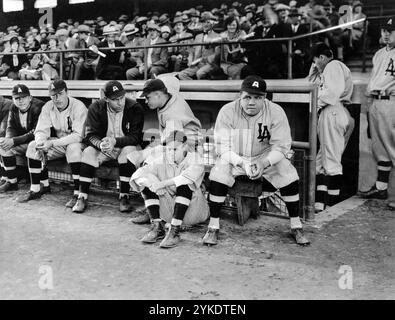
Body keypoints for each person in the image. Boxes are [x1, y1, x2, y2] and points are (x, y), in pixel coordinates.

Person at [202, 76, 310, 246]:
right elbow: (222, 147)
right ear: (240, 95)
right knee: (218, 172)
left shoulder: (275, 111)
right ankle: (213, 226)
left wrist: (264, 163)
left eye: (257, 97)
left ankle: (295, 225)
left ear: (264, 97)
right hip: (236, 157)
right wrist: (241, 163)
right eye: (247, 97)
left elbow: (281, 146)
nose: (251, 102)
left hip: (264, 157)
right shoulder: (227, 111)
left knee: (287, 171)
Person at [128, 77, 202, 224]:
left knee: (148, 166)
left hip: (187, 147)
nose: (146, 101)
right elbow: (173, 80)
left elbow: (172, 143)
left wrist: (145, 154)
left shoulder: (172, 116)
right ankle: (152, 205)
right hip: (177, 139)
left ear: (158, 94)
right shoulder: (169, 92)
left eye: (148, 97)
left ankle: (154, 211)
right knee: (145, 159)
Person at [72, 81, 144, 213]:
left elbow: (136, 137)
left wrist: (115, 142)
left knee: (128, 151)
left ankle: (124, 196)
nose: (120, 102)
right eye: (115, 99)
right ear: (106, 99)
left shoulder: (135, 107)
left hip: (125, 146)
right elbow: (90, 135)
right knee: (88, 152)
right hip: (104, 148)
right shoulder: (96, 107)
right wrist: (100, 144)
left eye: (122, 97)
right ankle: (82, 196)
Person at [130, 133, 209, 248]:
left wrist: (161, 184)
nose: (171, 153)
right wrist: (152, 183)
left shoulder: (195, 159)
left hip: (193, 210)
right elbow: (138, 174)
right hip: (169, 211)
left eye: (175, 149)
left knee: (184, 184)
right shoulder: (163, 158)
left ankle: (174, 232)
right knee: (147, 183)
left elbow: (183, 179)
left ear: (185, 147)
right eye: (169, 149)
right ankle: (157, 226)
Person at [16, 80, 87, 206]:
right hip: (59, 143)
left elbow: (78, 136)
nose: (57, 98)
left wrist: (52, 144)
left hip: (79, 143)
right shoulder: (48, 106)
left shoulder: (78, 106)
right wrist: (41, 142)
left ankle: (77, 194)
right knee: (33, 146)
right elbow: (40, 130)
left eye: (60, 94)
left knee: (73, 148)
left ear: (67, 92)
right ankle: (36, 189)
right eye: (53, 95)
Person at [308, 42, 354, 212]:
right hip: (329, 112)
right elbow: (311, 85)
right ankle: (320, 205)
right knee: (320, 162)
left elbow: (331, 94)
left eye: (315, 61)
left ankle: (332, 208)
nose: (314, 64)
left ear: (322, 57)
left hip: (332, 111)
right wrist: (315, 73)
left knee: (332, 162)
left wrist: (314, 103)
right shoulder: (326, 70)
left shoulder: (333, 65)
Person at [359, 17, 395, 207]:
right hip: (375, 102)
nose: (386, 34)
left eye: (391, 31)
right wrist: (368, 103)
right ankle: (381, 189)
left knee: (392, 147)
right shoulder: (379, 53)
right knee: (379, 148)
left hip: (391, 102)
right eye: (384, 30)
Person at [0, 85, 44, 193]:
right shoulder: (13, 107)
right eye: (17, 98)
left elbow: (36, 132)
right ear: (13, 99)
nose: (20, 101)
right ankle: (12, 182)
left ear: (30, 97)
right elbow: (10, 127)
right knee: (3, 146)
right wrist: (8, 140)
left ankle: (38, 187)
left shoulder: (39, 106)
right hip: (23, 141)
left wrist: (13, 141)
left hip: (39, 141)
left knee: (32, 145)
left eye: (23, 97)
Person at [178, 12, 221, 80]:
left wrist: (206, 59)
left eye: (208, 22)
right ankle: (193, 88)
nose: (205, 24)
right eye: (203, 22)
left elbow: (217, 53)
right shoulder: (198, 36)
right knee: (181, 75)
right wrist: (190, 60)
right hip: (197, 64)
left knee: (199, 73)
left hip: (210, 64)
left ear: (212, 23)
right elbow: (192, 50)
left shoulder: (217, 36)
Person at [0, 95, 13, 185]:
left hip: (12, 137)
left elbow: (3, 130)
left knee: (2, 142)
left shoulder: (7, 104)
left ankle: (5, 177)